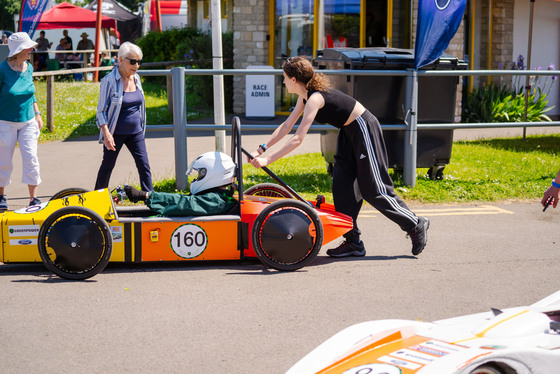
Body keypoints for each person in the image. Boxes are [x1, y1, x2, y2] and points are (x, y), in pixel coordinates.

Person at [248, 56, 429, 257]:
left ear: (294, 80)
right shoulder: (304, 96)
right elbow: (286, 126)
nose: (282, 82)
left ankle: (414, 224)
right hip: (347, 133)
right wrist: (261, 149)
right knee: (342, 186)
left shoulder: (315, 99)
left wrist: (268, 160)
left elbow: (298, 139)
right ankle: (353, 242)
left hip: (363, 128)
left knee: (373, 189)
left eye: (284, 78)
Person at [95, 41, 153, 193]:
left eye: (139, 61)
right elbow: (101, 111)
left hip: (136, 132)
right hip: (115, 133)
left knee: (144, 165)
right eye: (132, 61)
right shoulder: (109, 81)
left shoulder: (137, 78)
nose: (136, 65)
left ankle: (152, 199)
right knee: (107, 166)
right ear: (120, 60)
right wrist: (106, 134)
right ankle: (95, 202)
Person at [0, 32, 43, 210]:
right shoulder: (2, 69)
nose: (31, 50)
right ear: (18, 50)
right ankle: (1, 196)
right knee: (4, 161)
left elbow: (31, 93)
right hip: (5, 121)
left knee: (31, 158)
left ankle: (34, 198)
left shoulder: (29, 67)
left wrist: (38, 113)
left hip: (28, 121)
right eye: (28, 47)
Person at [124, 151, 238, 216]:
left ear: (214, 174)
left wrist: (145, 195)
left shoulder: (216, 200)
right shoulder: (218, 196)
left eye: (200, 174)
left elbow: (184, 202)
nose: (196, 178)